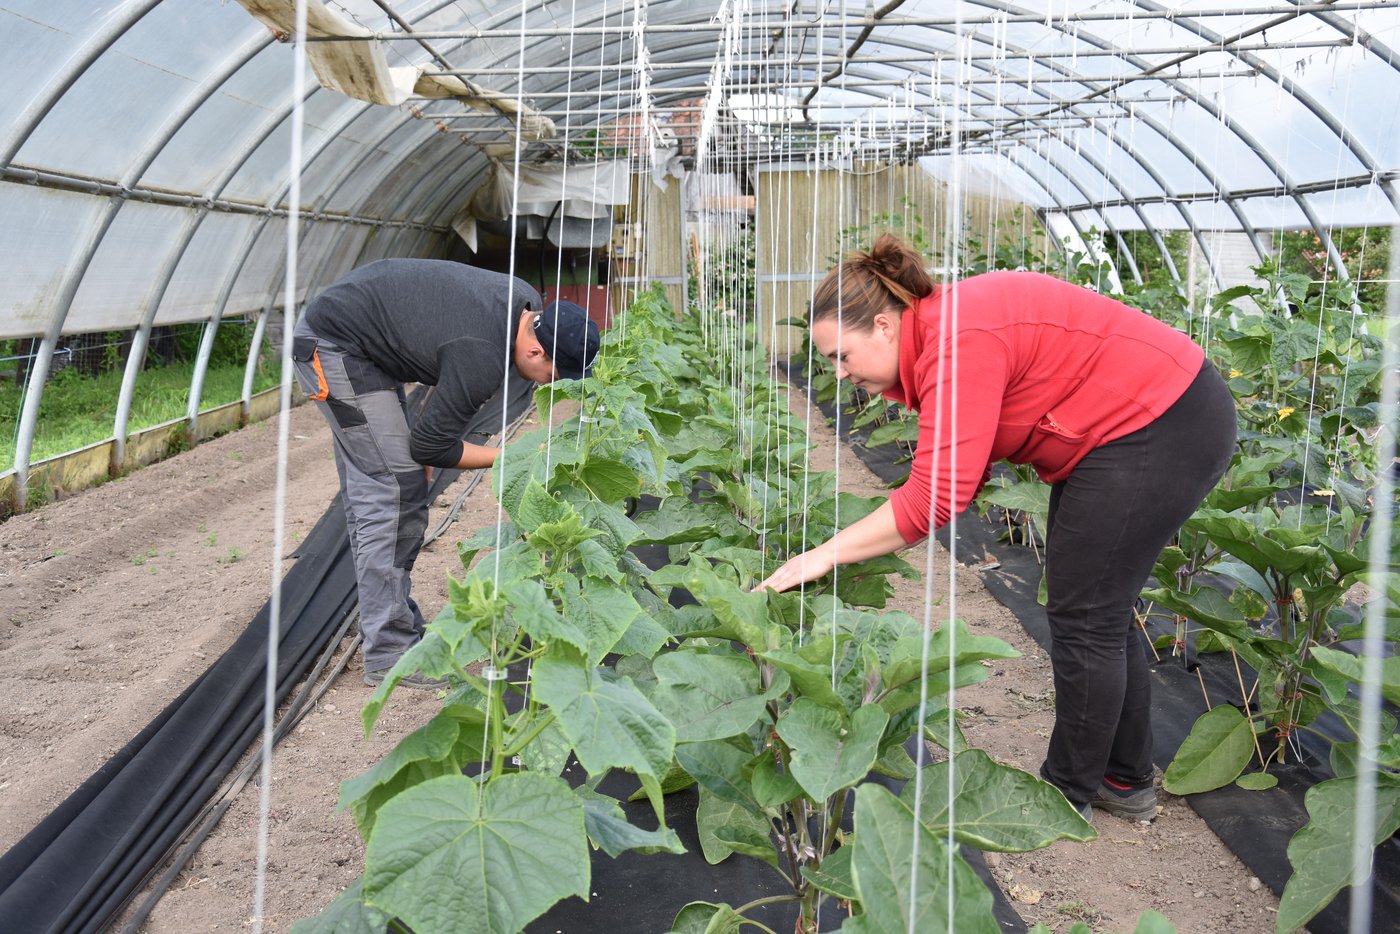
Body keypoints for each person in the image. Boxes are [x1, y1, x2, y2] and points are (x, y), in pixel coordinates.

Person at [756, 234, 1236, 821]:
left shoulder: (958, 341)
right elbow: (962, 464)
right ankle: (1122, 777)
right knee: (1094, 608)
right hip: (1128, 427)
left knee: (1086, 615)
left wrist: (826, 554)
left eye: (841, 356)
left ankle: (1063, 796)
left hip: (1160, 421)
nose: (838, 374)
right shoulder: (943, 336)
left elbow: (935, 497)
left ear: (884, 326)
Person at [292, 258, 600, 690]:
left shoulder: (524, 301)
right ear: (535, 350)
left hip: (363, 337)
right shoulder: (482, 354)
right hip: (335, 345)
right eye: (554, 374)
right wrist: (506, 456)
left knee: (385, 484)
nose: (551, 385)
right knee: (394, 491)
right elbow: (429, 446)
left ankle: (389, 618)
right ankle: (388, 652)